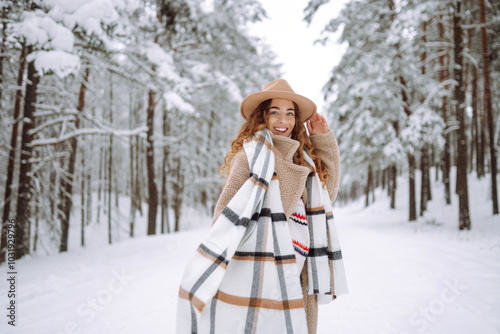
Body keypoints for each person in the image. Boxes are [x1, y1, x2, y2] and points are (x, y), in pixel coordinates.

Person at [177, 79, 348, 334]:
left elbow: (329, 191)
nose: (283, 120)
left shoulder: (303, 159)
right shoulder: (250, 156)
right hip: (261, 269)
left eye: (290, 113)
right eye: (275, 112)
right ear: (262, 117)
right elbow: (225, 213)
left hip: (300, 273)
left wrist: (322, 140)